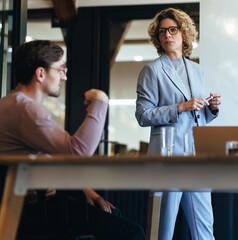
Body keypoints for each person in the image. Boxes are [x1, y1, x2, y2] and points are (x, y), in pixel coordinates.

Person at [0, 40, 145, 240]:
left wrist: (90, 193)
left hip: (26, 204)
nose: (64, 77)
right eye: (60, 69)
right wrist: (101, 101)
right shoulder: (26, 110)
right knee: (133, 233)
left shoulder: (10, 103)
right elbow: (77, 153)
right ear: (40, 74)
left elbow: (56, 157)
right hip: (36, 211)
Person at [135, 8, 221, 240]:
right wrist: (180, 107)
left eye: (173, 30)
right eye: (162, 32)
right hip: (167, 156)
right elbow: (143, 115)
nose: (167, 36)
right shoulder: (151, 70)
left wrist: (212, 108)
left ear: (184, 33)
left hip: (197, 156)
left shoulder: (196, 69)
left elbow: (198, 114)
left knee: (205, 229)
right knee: (162, 230)